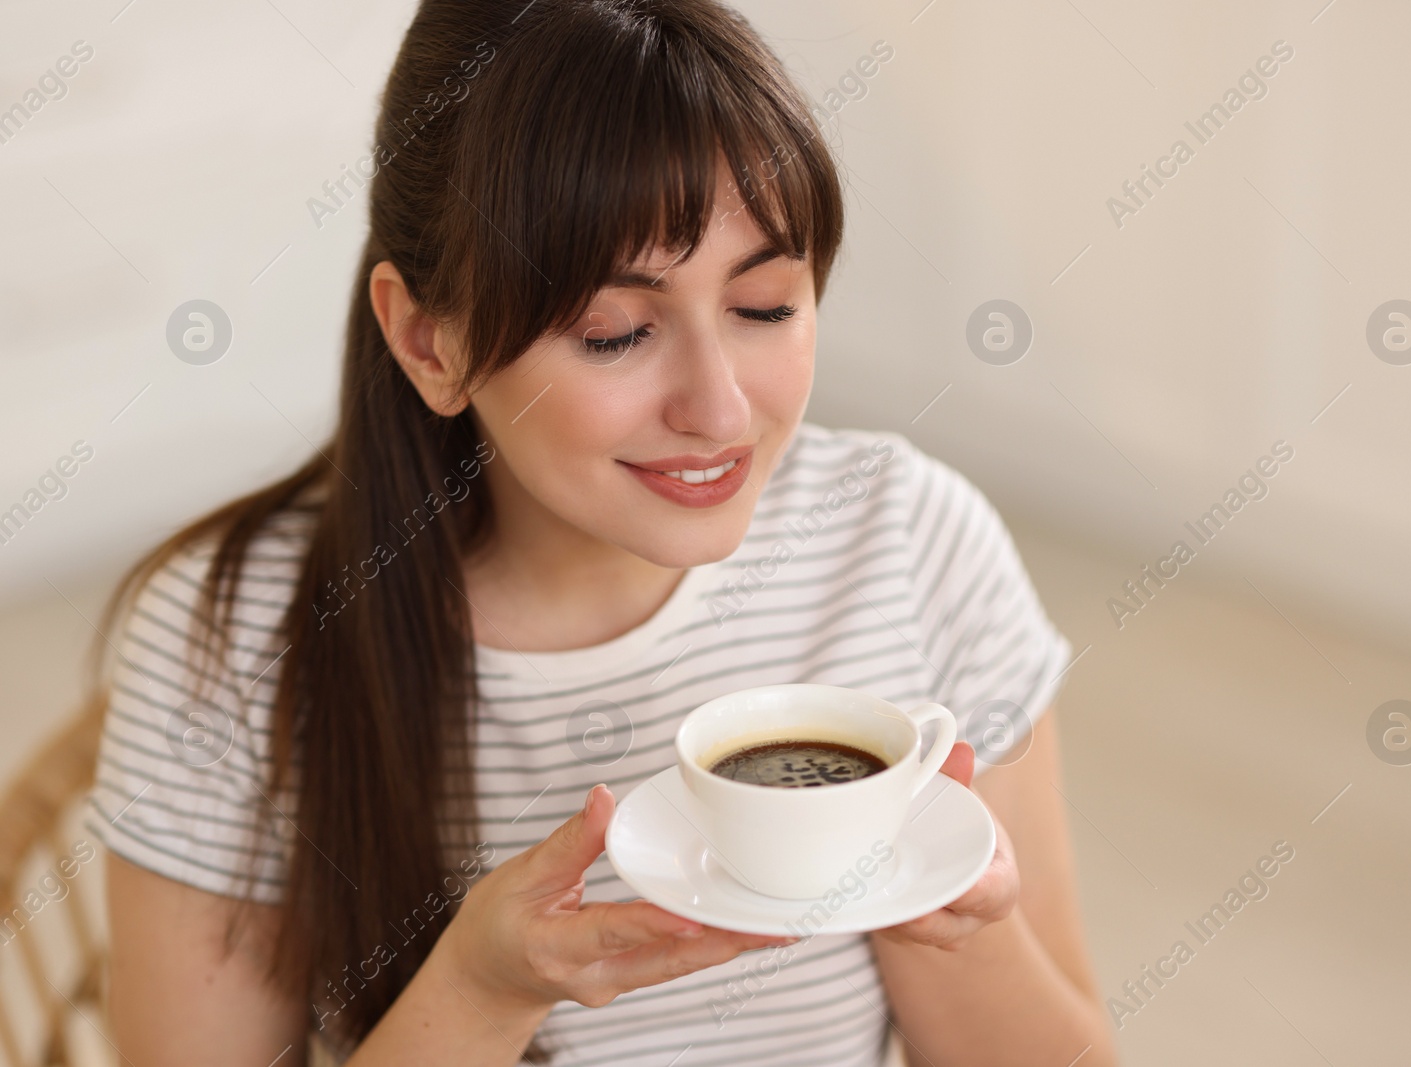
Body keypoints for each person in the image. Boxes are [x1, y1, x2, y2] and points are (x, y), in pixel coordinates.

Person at [85, 1, 1116, 1063]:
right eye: (613, 333)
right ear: (427, 341)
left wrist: (928, 899)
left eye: (764, 306)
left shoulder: (909, 545)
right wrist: (484, 984)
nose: (718, 412)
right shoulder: (237, 637)